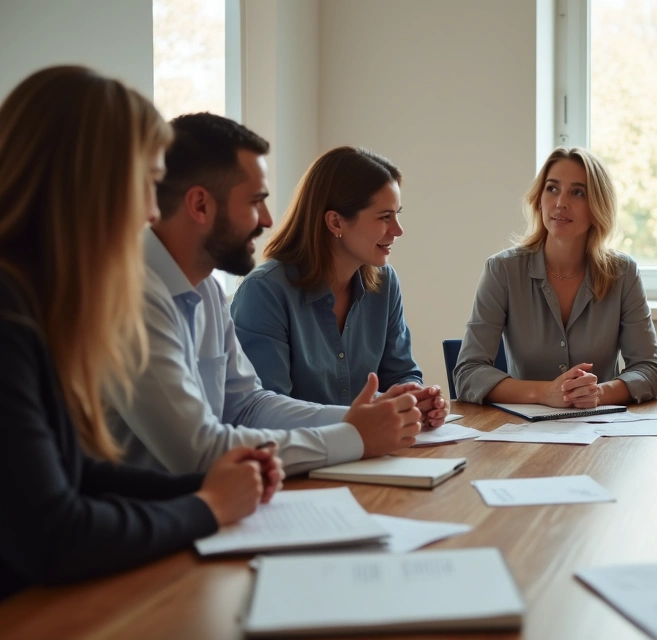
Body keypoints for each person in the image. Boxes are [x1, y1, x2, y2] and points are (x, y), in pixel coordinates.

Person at [0, 66, 281, 600]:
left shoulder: (36, 301)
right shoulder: (9, 315)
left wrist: (207, 484)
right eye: (149, 184)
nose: (154, 211)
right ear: (91, 187)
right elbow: (54, 534)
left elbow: (77, 474)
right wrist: (208, 506)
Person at [107, 114, 422, 476]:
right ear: (200, 205)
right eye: (255, 201)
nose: (268, 220)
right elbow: (197, 451)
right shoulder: (129, 297)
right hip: (152, 507)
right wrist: (354, 437)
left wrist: (361, 419)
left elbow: (248, 406)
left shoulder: (206, 288)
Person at [231, 147, 447, 428]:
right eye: (384, 217)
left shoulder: (385, 283)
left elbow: (400, 374)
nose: (398, 229)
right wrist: (360, 419)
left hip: (373, 446)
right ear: (335, 222)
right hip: (298, 452)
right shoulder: (264, 291)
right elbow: (266, 411)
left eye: (397, 214)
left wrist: (416, 399)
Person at [454, 147, 657, 407]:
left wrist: (599, 393)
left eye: (578, 192)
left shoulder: (623, 273)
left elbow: (650, 370)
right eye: (552, 189)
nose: (560, 202)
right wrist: (544, 393)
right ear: (539, 199)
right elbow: (468, 373)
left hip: (599, 425)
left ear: (597, 206)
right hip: (523, 428)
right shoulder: (502, 270)